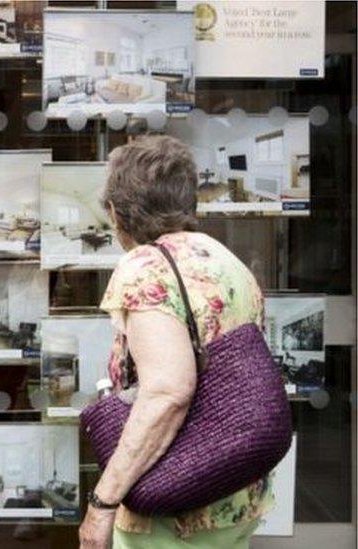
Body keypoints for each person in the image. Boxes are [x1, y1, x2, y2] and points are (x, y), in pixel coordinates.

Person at [79, 135, 273, 549]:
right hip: (234, 495)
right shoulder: (223, 258)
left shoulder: (145, 267)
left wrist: (102, 503)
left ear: (116, 213)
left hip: (178, 511)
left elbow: (167, 392)